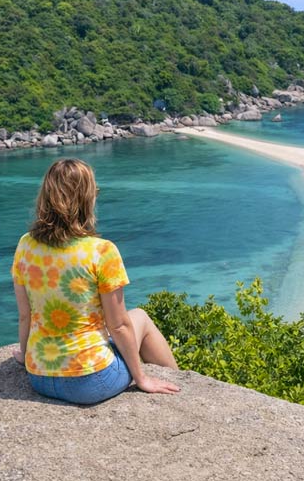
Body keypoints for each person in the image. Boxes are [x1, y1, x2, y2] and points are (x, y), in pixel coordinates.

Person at [12, 158, 180, 404]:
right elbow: (119, 325)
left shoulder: (25, 245)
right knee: (140, 317)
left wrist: (27, 356)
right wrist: (141, 378)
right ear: (86, 198)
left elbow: (25, 315)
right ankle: (179, 383)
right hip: (90, 381)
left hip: (40, 377)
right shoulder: (101, 251)